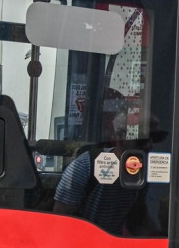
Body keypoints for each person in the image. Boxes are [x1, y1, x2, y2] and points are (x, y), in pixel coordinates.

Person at [53, 92, 161, 235]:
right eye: (142, 140)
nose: (150, 145)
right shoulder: (86, 166)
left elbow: (139, 218)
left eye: (155, 138)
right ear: (119, 138)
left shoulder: (141, 171)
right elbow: (60, 220)